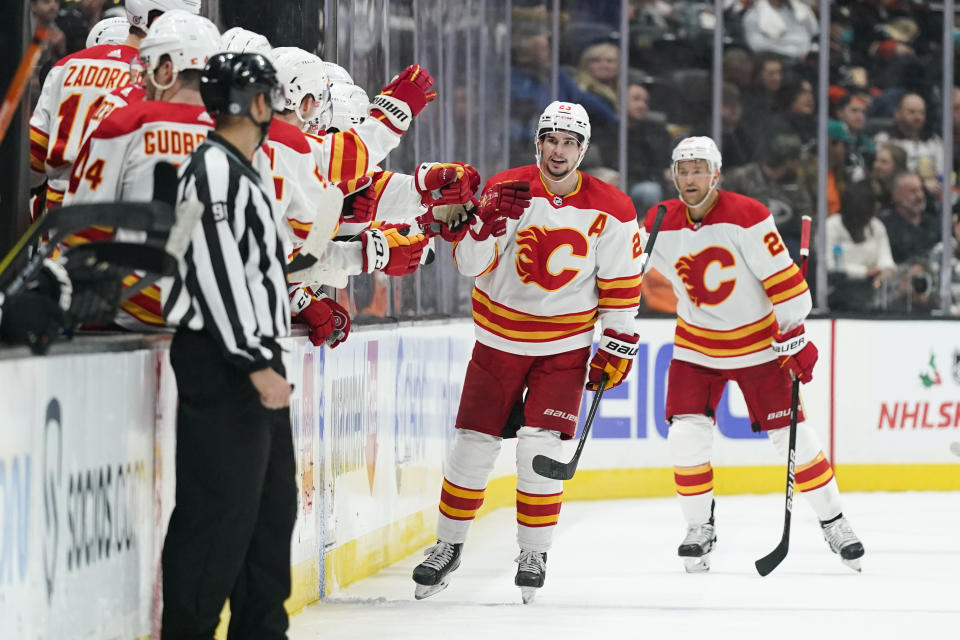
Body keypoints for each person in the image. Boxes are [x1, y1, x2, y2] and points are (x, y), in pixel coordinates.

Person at [412, 101, 644, 603]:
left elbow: (621, 286)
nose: (558, 151)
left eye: (569, 143)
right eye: (551, 140)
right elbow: (471, 265)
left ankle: (533, 552)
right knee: (473, 444)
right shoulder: (506, 188)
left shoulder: (614, 208)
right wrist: (483, 224)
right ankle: (447, 546)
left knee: (541, 451)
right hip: (496, 342)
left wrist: (618, 341)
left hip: (563, 348)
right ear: (538, 142)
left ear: (582, 150)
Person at [639, 136, 864, 574]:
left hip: (758, 346)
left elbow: (787, 286)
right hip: (696, 345)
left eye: (698, 170)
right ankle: (699, 528)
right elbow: (625, 271)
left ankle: (835, 522)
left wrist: (793, 332)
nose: (689, 179)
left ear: (716, 174)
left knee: (794, 438)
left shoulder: (747, 215)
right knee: (685, 436)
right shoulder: (660, 218)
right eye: (682, 170)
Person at [160, 52, 297, 639]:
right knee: (217, 515)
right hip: (226, 363)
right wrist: (253, 361)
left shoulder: (242, 169)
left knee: (270, 513)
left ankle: (262, 632)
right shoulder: (213, 169)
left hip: (251, 358)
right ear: (258, 103)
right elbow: (211, 269)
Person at [63, 9, 220, 329]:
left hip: (127, 308)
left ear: (166, 70)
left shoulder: (126, 121)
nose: (142, 77)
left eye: (146, 66)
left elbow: (83, 225)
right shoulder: (238, 136)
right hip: (208, 319)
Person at [29, 0, 201, 214]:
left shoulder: (66, 66)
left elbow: (32, 166)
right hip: (120, 217)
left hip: (57, 220)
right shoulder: (160, 78)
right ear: (157, 20)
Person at [825, 180, 896, 311]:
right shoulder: (831, 226)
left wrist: (883, 273)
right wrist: (865, 272)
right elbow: (830, 265)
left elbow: (887, 261)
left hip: (872, 291)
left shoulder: (876, 226)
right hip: (836, 294)